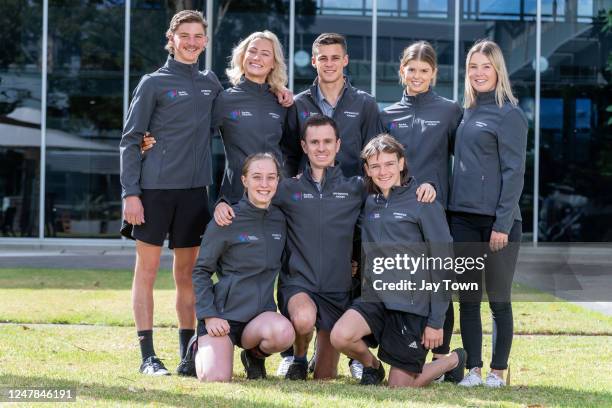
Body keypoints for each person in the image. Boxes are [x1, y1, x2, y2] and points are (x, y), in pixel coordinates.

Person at [214, 115, 435, 381]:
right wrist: (223, 202)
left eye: (327, 141)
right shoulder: (287, 189)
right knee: (304, 318)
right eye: (314, 142)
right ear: (304, 146)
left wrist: (426, 185)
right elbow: (254, 195)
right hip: (299, 284)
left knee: (325, 376)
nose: (321, 147)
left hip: (338, 289)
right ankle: (294, 358)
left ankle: (370, 365)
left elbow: (391, 185)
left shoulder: (356, 188)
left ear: (338, 145)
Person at [119, 10, 222, 376]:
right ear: (172, 39)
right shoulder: (153, 83)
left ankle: (186, 355)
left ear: (206, 41)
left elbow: (234, 111)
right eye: (185, 36)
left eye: (198, 36)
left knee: (188, 275)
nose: (192, 42)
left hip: (194, 193)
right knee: (145, 272)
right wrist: (131, 193)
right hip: (153, 192)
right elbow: (131, 140)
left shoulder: (211, 83)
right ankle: (148, 356)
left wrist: (278, 91)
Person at [278, 32, 381, 379]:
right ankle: (295, 354)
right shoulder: (298, 103)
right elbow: (290, 153)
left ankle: (355, 350)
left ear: (346, 60)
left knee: (353, 271)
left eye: (335, 57)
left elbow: (376, 154)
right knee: (308, 264)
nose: (330, 63)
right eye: (323, 58)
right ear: (314, 61)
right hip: (310, 200)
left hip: (351, 201)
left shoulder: (364, 104)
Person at [330, 134, 467, 387]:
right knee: (340, 336)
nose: (383, 171)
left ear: (401, 163)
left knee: (399, 387)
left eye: (389, 164)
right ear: (367, 170)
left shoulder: (423, 201)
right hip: (376, 299)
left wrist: (436, 322)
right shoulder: (369, 202)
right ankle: (372, 367)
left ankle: (452, 360)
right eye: (376, 166)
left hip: (411, 307)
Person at [378, 40, 463, 374]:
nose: (417, 75)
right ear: (402, 71)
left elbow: (465, 160)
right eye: (411, 69)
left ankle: (444, 358)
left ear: (434, 74)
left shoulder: (449, 111)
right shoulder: (388, 115)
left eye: (424, 70)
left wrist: (439, 189)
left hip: (435, 210)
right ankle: (401, 345)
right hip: (398, 215)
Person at [448, 39, 527, 388]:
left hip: (498, 223)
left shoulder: (509, 114)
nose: (479, 73)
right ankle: (474, 370)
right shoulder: (465, 111)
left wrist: (502, 224)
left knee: (498, 300)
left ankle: (497, 370)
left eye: (486, 66)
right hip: (461, 218)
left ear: (498, 71)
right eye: (473, 67)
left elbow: (515, 173)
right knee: (467, 299)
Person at [143, 30, 294, 206]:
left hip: (275, 198)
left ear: (273, 64)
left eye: (265, 54)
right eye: (252, 51)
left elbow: (293, 151)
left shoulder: (282, 102)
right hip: (235, 198)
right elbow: (194, 135)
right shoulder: (224, 99)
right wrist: (151, 140)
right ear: (242, 56)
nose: (257, 57)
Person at [191, 153, 295, 382]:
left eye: (271, 177)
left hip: (259, 317)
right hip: (223, 317)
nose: (264, 184)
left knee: (284, 333)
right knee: (215, 378)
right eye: (257, 177)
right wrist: (209, 316)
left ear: (278, 181)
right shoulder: (226, 219)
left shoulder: (280, 219)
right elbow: (201, 271)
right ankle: (196, 346)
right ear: (244, 180)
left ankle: (254, 356)